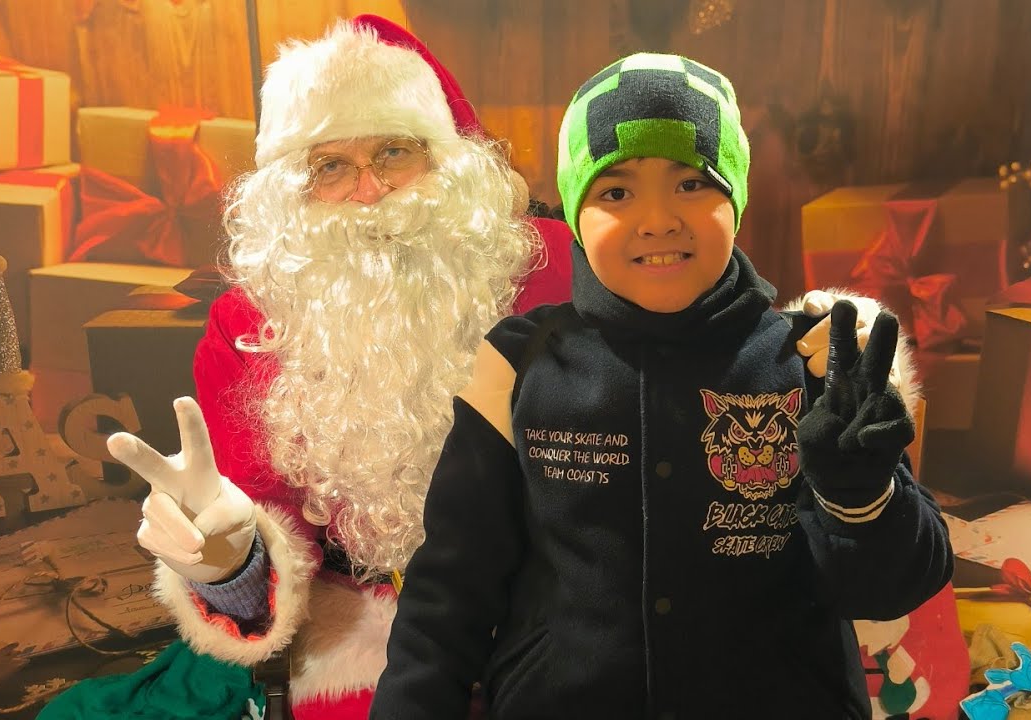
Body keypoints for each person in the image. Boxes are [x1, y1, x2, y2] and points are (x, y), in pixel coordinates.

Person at [106, 20, 914, 719]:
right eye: (329, 166)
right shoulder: (248, 328)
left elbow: (713, 321)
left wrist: (825, 357)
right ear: (292, 190)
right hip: (375, 627)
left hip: (588, 598)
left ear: (451, 163)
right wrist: (229, 566)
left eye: (395, 151)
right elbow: (278, 558)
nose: (370, 192)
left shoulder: (561, 262)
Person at [369, 53, 953, 719]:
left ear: (736, 196)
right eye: (615, 192)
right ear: (575, 212)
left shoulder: (809, 361)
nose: (657, 220)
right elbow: (451, 589)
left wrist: (863, 495)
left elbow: (893, 588)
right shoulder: (517, 365)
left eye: (692, 184)